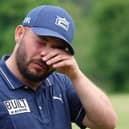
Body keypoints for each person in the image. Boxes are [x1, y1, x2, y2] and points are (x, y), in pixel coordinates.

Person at [0, 5, 117, 129]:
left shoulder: (61, 84)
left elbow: (107, 123)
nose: (45, 54)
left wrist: (75, 75)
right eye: (41, 41)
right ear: (20, 34)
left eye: (57, 48)